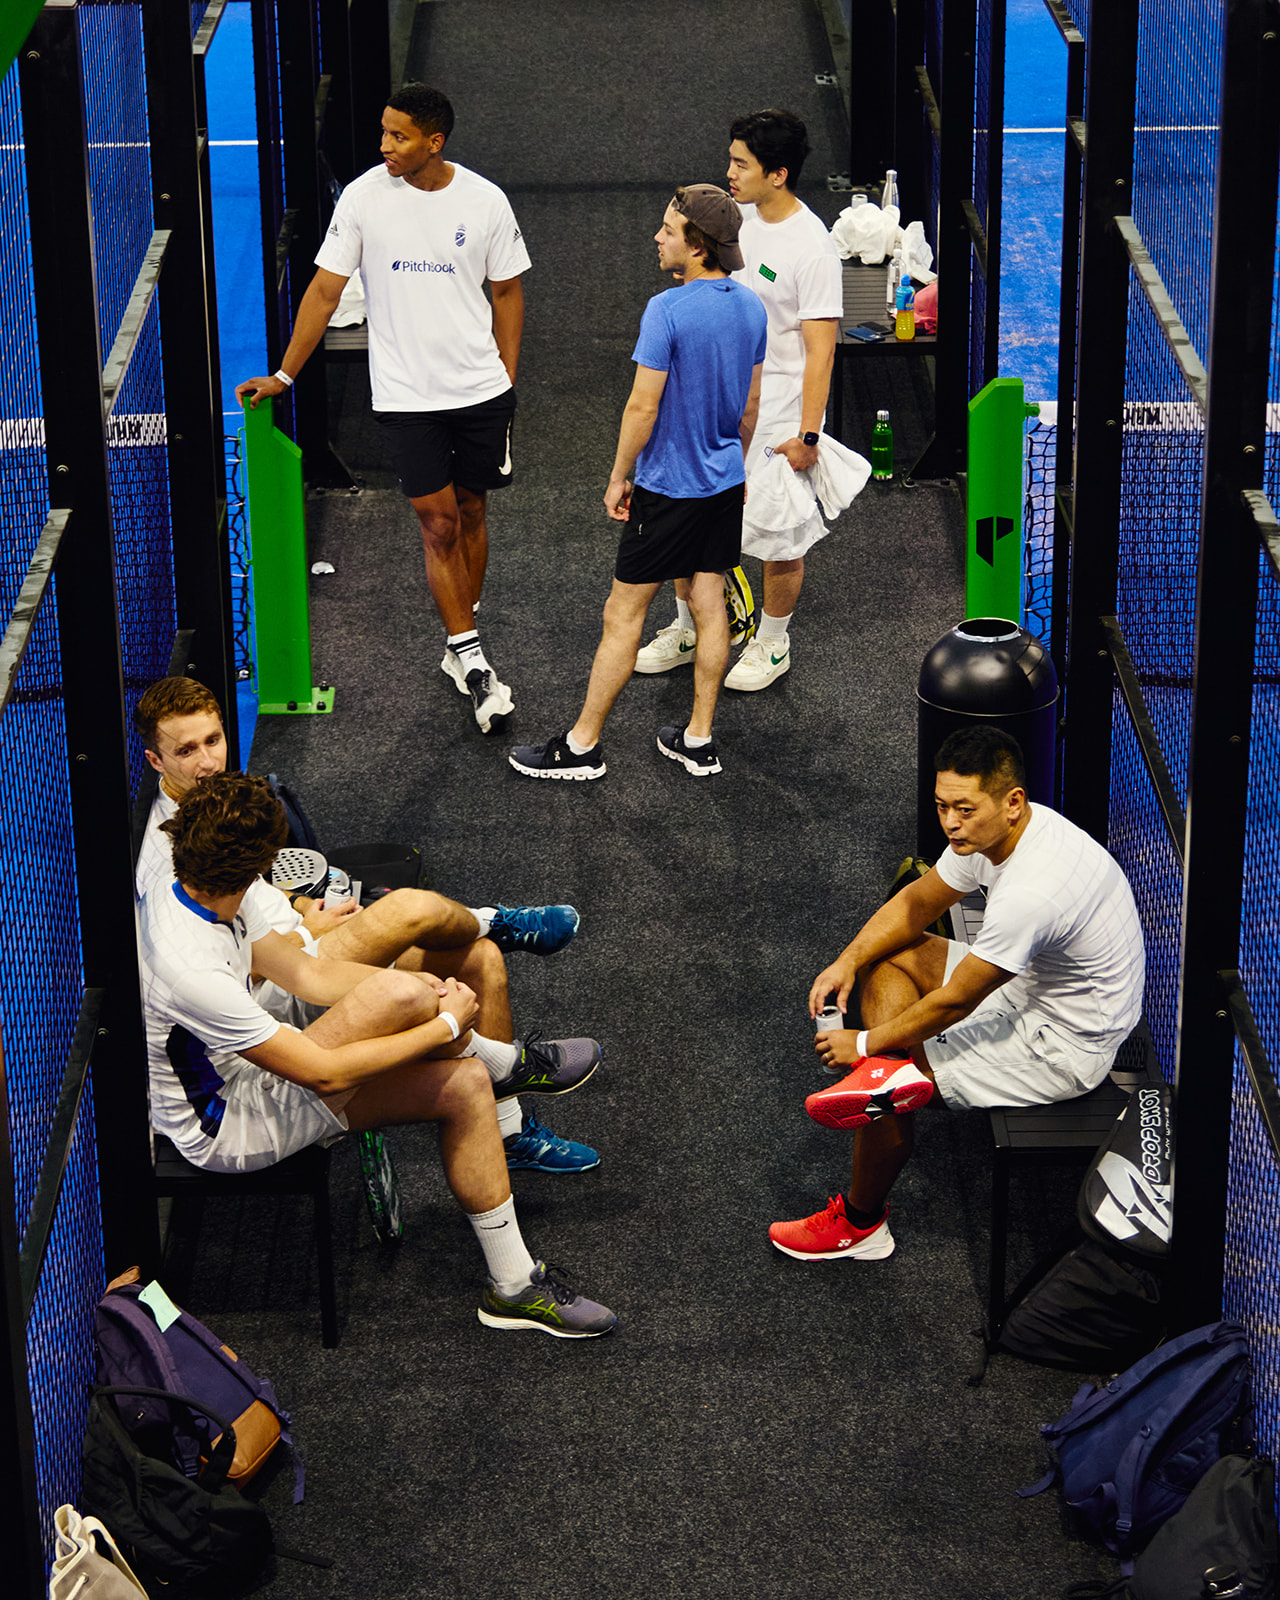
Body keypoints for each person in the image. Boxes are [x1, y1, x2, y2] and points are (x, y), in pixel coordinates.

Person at [138, 772, 615, 1337]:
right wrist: (441, 1024)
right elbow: (321, 1075)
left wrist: (425, 993)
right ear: (251, 870)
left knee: (464, 1081)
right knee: (403, 999)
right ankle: (506, 1063)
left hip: (257, 1055)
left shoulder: (206, 889)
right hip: (229, 1124)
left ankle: (512, 1287)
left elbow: (308, 975)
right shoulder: (189, 968)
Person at [134, 675, 599, 1175]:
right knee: (409, 920)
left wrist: (301, 910)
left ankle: (509, 1122)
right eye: (187, 750)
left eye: (213, 740)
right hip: (251, 1050)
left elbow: (280, 950)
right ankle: (497, 961)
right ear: (156, 760)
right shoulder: (177, 867)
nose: (207, 762)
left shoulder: (214, 829)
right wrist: (438, 1021)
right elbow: (266, 1001)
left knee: (477, 958)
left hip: (281, 974)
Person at [770, 726, 1145, 1263]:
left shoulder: (1032, 893)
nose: (950, 823)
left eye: (964, 809)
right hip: (1029, 986)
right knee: (888, 958)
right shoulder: (999, 833)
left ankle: (860, 1223)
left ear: (1012, 802)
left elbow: (957, 1001)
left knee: (883, 1088)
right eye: (942, 806)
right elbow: (916, 904)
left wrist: (867, 1043)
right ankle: (887, 1075)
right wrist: (846, 961)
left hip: (1063, 1045)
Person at [235, 83, 528, 736]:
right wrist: (284, 374)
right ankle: (473, 657)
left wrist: (506, 378)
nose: (384, 145)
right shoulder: (364, 198)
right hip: (404, 397)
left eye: (399, 136)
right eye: (384, 131)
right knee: (438, 522)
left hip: (479, 391)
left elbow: (507, 292)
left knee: (472, 510)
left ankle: (461, 631)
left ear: (434, 142)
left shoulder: (485, 202)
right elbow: (323, 291)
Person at [508, 185, 765, 781]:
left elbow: (642, 408)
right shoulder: (752, 307)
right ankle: (698, 739)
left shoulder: (666, 310)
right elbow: (750, 408)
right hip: (723, 484)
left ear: (697, 246)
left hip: (668, 490)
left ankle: (581, 746)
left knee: (623, 613)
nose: (657, 237)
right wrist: (733, 467)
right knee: (709, 604)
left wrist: (619, 475)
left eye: (669, 230)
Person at [634, 110, 841, 693]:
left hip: (778, 411)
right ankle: (688, 628)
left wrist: (808, 435)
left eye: (741, 164)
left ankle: (773, 641)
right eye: (730, 159)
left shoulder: (812, 247)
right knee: (689, 513)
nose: (729, 172)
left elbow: (821, 353)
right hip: (714, 397)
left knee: (778, 534)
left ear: (778, 174)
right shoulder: (732, 219)